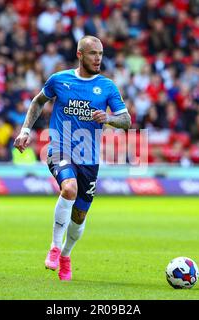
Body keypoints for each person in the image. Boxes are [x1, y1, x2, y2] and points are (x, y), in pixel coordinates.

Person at [13, 35, 131, 281]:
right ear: (80, 54)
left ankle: (66, 254)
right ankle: (55, 248)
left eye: (100, 53)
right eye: (93, 53)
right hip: (60, 148)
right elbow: (38, 102)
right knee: (69, 189)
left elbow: (127, 121)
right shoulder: (59, 80)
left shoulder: (107, 86)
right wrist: (25, 131)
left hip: (89, 158)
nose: (98, 58)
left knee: (79, 217)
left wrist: (109, 119)